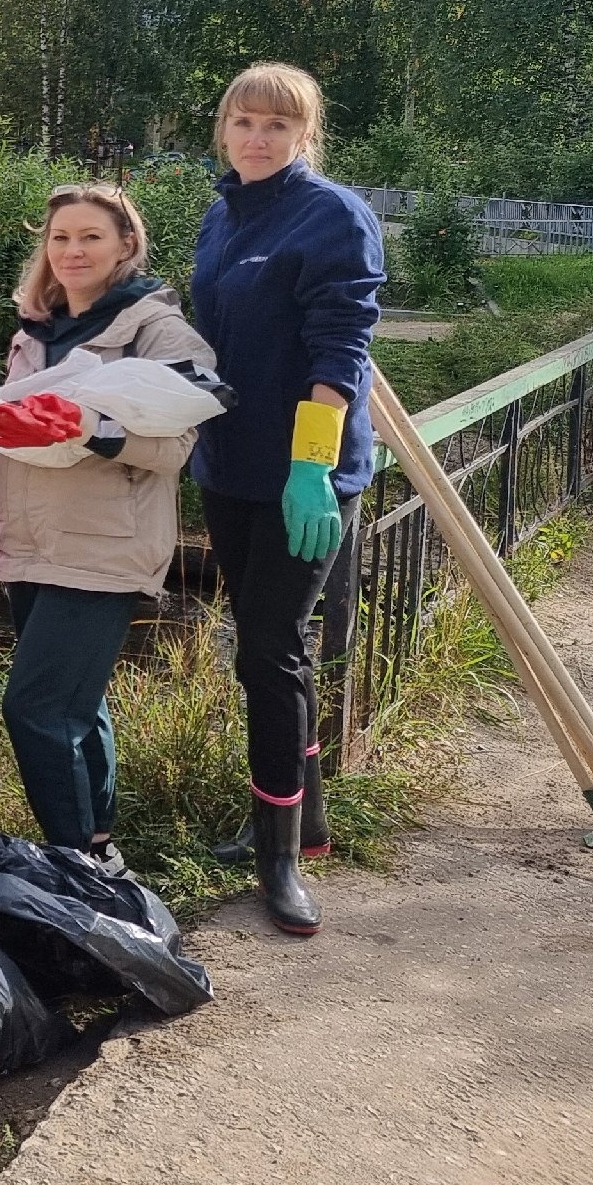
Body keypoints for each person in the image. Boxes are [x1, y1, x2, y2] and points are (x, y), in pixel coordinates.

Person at [189, 62, 383, 937]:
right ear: (224, 129)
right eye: (244, 121)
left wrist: (315, 465)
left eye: (277, 124)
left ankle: (279, 861)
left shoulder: (333, 216)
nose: (258, 137)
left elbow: (339, 349)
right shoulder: (222, 214)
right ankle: (303, 820)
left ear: (306, 134)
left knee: (267, 655)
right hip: (228, 467)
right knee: (275, 652)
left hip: (303, 481)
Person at [0, 184, 221, 876]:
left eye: (91, 237)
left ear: (126, 245)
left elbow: (177, 442)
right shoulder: (35, 330)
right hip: (30, 541)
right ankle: (100, 847)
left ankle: (72, 864)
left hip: (106, 544)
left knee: (34, 707)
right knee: (76, 709)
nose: (73, 251)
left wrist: (93, 429)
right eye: (60, 238)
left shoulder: (154, 331)